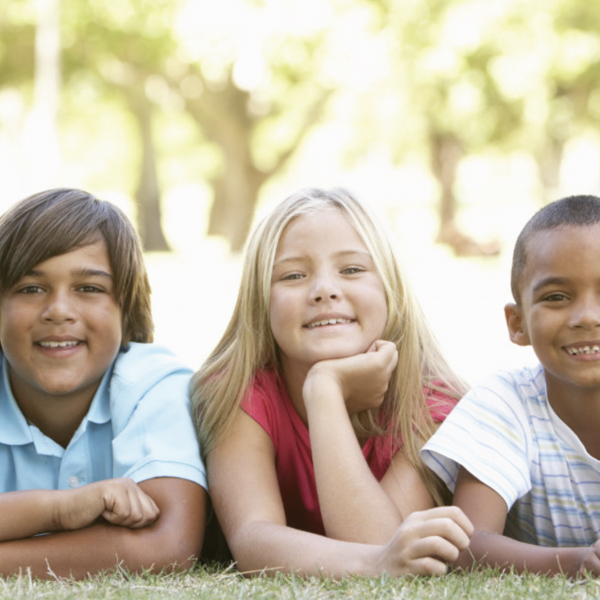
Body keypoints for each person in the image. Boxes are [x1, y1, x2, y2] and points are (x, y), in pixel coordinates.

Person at [192, 187, 473, 578]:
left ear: (392, 288)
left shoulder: (432, 405)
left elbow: (380, 540)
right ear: (262, 301)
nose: (324, 289)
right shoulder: (238, 390)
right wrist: (327, 388)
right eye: (292, 275)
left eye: (353, 270)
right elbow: (253, 540)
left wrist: (323, 391)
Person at [0, 188, 207, 579]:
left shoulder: (154, 384)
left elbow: (168, 546)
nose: (59, 311)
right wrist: (60, 509)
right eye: (30, 288)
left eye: (89, 288)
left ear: (124, 306)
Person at [422, 194, 600, 577]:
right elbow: (467, 544)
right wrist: (579, 562)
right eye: (557, 297)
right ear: (517, 323)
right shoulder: (506, 403)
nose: (587, 317)